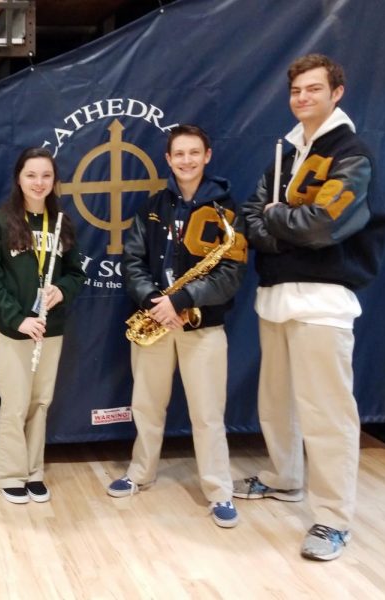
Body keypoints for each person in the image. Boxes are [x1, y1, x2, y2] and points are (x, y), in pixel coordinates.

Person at [238, 54, 385, 560]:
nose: (303, 98)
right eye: (297, 90)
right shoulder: (286, 152)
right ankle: (284, 478)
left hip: (323, 302)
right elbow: (252, 219)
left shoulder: (353, 153)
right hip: (275, 297)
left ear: (337, 92)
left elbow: (325, 225)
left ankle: (332, 519)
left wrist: (280, 221)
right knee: (275, 404)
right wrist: (285, 224)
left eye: (313, 89)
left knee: (328, 415)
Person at [106, 125, 247, 528]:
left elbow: (230, 274)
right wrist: (155, 302)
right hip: (155, 320)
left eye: (193, 153)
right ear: (168, 160)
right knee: (147, 405)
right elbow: (133, 261)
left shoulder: (227, 210)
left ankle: (219, 490)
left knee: (207, 413)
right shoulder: (153, 206)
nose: (185, 160)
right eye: (178, 154)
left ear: (207, 156)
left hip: (201, 326)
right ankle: (140, 473)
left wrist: (181, 301)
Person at [0, 148, 84, 504]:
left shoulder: (62, 223)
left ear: (54, 181)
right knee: (15, 403)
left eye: (46, 176)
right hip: (14, 331)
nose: (38, 183)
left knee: (41, 402)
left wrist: (62, 290)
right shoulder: (1, 223)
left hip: (50, 330)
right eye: (31, 175)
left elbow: (76, 274)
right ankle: (11, 473)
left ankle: (34, 471)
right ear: (18, 179)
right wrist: (17, 319)